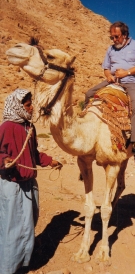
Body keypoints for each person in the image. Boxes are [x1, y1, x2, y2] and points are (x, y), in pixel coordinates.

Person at [0, 89, 59, 274]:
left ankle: (23, 263)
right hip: (13, 185)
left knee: (27, 224)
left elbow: (33, 154)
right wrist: (5, 160)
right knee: (12, 229)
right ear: (18, 107)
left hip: (30, 184)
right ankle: (8, 268)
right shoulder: (7, 127)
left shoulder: (29, 128)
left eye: (31, 103)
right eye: (27, 105)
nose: (32, 107)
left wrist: (50, 161)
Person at [85, 21, 135, 155]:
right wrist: (108, 75)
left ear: (125, 35)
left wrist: (127, 72)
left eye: (117, 37)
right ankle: (87, 132)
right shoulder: (110, 49)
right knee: (89, 93)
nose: (114, 40)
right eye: (112, 37)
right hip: (113, 81)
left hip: (131, 81)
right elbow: (106, 68)